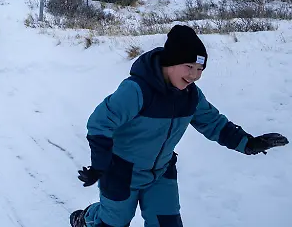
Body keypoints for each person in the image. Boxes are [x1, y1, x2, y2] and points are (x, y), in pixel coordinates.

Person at [70, 25, 288, 227]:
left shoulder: (191, 96)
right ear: (170, 63)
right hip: (122, 172)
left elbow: (213, 123)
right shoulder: (137, 90)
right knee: (113, 222)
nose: (194, 75)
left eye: (200, 69)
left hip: (161, 171)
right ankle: (87, 217)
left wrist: (248, 143)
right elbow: (100, 122)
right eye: (189, 66)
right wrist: (100, 165)